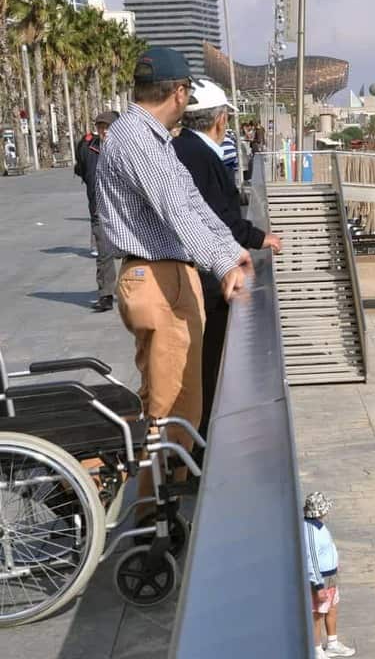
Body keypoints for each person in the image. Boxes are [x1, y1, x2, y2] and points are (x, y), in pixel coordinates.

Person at [95, 46, 251, 515]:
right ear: (180, 93)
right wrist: (223, 264)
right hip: (155, 277)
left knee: (187, 403)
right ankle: (151, 518)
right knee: (166, 407)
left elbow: (192, 203)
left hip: (173, 276)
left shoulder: (154, 138)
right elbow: (175, 209)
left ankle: (171, 507)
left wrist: (229, 249)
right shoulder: (136, 140)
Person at [172, 78, 282, 460]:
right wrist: (256, 238)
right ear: (220, 120)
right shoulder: (200, 156)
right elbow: (215, 215)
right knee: (209, 360)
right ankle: (202, 445)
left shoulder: (181, 148)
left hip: (195, 267)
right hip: (204, 275)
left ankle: (196, 443)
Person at [75, 110, 120, 311]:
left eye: (108, 127)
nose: (104, 131)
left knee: (135, 253)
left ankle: (136, 290)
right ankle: (105, 295)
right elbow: (82, 170)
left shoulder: (127, 148)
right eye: (101, 127)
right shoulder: (88, 147)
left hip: (125, 210)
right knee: (104, 254)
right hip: (99, 209)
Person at [304, 492, 356, 658]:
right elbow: (311, 559)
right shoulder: (310, 531)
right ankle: (317, 650)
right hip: (321, 579)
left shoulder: (319, 525)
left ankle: (332, 644)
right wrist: (318, 586)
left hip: (331, 576)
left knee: (332, 607)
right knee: (318, 613)